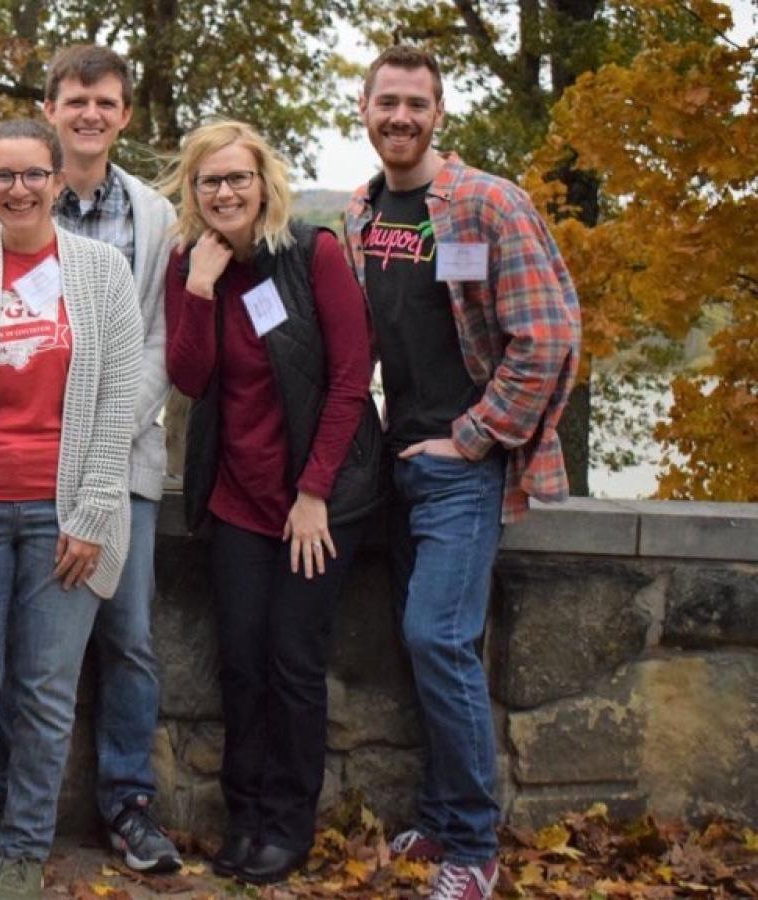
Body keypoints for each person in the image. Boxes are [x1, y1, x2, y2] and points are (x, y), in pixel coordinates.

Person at [344, 46, 580, 900]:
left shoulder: (486, 202)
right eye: (387, 102)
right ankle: (443, 817)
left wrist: (476, 436)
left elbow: (548, 334)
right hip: (399, 463)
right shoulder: (365, 211)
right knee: (433, 646)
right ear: (364, 110)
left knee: (437, 639)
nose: (400, 117)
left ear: (439, 112)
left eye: (417, 103)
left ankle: (474, 849)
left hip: (461, 470)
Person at [0, 45, 180, 872]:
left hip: (117, 462)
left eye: (106, 101)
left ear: (125, 114)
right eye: (75, 100)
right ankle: (12, 823)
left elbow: (158, 338)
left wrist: (104, 433)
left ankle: (128, 806)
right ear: (50, 111)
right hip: (14, 461)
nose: (90, 113)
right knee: (13, 653)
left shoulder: (153, 216)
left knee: (126, 634)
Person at [0, 119, 142, 900]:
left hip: (65, 515)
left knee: (46, 694)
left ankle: (22, 853)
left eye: (33, 174)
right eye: (2, 176)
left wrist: (94, 509)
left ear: (56, 179)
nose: (18, 189)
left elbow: (120, 396)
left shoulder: (103, 271)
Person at [161, 120, 385, 884]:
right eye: (209, 181)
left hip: (315, 502)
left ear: (264, 184)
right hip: (235, 499)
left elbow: (352, 380)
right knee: (243, 666)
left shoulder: (313, 255)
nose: (224, 192)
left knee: (293, 661)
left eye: (237, 178)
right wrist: (196, 286)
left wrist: (315, 492)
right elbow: (189, 380)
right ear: (193, 193)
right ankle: (246, 818)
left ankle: (289, 824)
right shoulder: (190, 265)